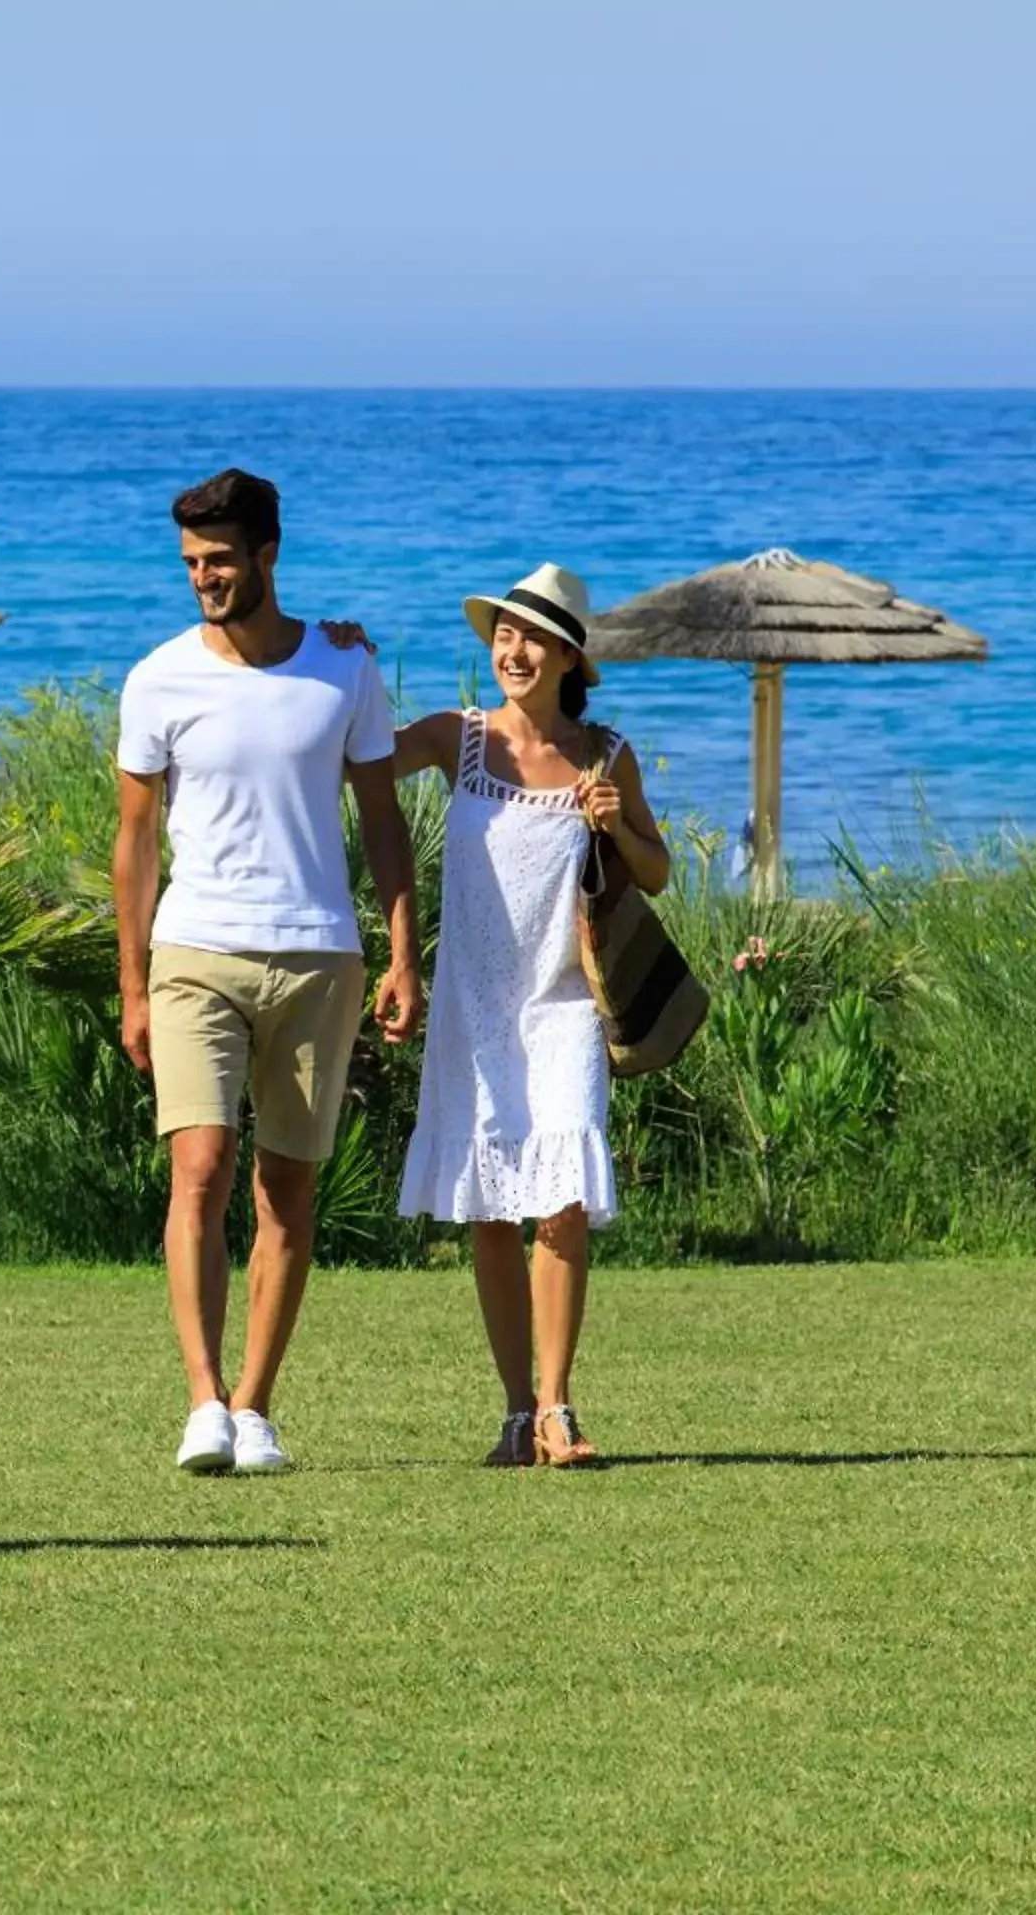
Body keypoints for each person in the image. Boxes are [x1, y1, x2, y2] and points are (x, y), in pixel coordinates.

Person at [113, 468, 422, 1475]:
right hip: (194, 949)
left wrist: (403, 951)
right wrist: (130, 982)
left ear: (268, 555)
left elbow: (382, 818)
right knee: (198, 1167)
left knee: (288, 1188)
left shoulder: (343, 669)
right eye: (192, 563)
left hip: (319, 953)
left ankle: (255, 1407)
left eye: (221, 560)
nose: (205, 577)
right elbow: (134, 840)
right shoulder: (157, 676)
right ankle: (202, 1399)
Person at [389, 564, 669, 1468]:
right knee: (489, 1207)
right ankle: (517, 1414)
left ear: (567, 657)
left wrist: (617, 824)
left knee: (565, 1202)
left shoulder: (605, 752)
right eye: (504, 634)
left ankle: (556, 1407)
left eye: (532, 637)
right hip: (474, 1007)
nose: (512, 650)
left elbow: (657, 872)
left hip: (566, 1006)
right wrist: (340, 658)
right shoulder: (458, 739)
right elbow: (358, 751)